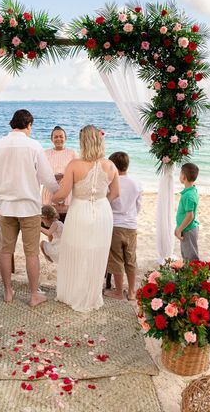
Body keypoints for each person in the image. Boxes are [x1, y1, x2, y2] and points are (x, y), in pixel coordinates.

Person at [0, 109, 60, 307]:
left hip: (7, 207)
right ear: (28, 125)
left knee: (5, 250)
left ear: (12, 124)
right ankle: (34, 295)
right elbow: (47, 178)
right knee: (31, 253)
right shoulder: (34, 146)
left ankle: (8, 292)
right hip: (29, 209)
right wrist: (59, 192)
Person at [54, 125, 120, 312]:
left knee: (75, 250)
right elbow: (115, 193)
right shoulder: (111, 165)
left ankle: (73, 294)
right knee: (96, 252)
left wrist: (52, 197)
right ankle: (91, 295)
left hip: (79, 212)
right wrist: (100, 201)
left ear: (84, 142)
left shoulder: (74, 165)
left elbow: (63, 193)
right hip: (103, 213)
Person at [104, 151, 142, 301]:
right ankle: (132, 292)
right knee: (131, 259)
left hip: (115, 225)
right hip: (131, 226)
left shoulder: (111, 183)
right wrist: (130, 216)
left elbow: (107, 202)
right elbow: (138, 206)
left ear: (113, 166)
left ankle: (119, 292)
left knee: (116, 259)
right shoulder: (136, 184)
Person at [42, 126, 78, 222]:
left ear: (65, 138)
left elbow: (78, 173)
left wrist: (65, 177)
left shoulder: (72, 153)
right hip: (49, 192)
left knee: (66, 223)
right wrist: (54, 177)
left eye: (61, 136)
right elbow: (41, 174)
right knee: (50, 223)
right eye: (56, 137)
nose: (58, 139)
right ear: (51, 139)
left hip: (67, 192)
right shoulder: (45, 153)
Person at [175, 163, 200, 261]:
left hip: (188, 230)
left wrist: (179, 229)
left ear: (184, 177)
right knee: (185, 255)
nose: (179, 176)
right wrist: (178, 227)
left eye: (180, 174)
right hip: (186, 228)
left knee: (191, 258)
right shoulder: (191, 190)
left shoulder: (188, 195)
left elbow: (190, 216)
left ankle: (195, 276)